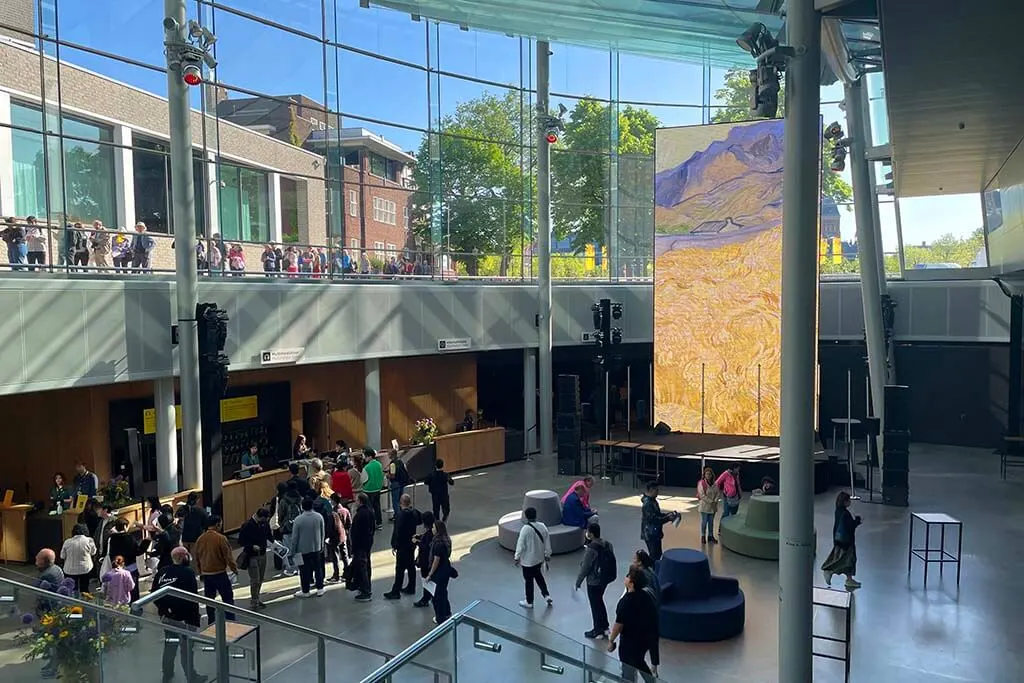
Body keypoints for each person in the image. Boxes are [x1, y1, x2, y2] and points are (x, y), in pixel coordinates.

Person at [152, 546, 208, 683]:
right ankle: (191, 675)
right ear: (184, 557)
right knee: (187, 648)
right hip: (186, 618)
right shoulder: (188, 572)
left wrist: (164, 610)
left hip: (168, 618)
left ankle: (167, 674)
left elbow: (154, 593)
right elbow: (192, 597)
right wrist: (195, 618)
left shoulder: (163, 572)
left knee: (170, 646)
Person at [608, 566, 659, 682]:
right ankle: (650, 680)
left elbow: (619, 625)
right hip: (645, 639)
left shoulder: (625, 602)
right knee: (639, 661)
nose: (625, 578)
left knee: (628, 668)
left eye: (627, 577)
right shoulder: (647, 597)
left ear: (631, 583)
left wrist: (611, 640)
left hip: (630, 642)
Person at [193, 516, 236, 623]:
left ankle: (211, 621)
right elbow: (228, 556)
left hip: (207, 575)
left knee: (209, 600)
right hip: (220, 573)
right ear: (217, 524)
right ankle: (230, 620)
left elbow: (197, 558)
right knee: (227, 598)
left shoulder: (200, 539)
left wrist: (200, 572)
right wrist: (234, 569)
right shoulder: (221, 538)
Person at [575, 522, 615, 639]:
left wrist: (578, 582)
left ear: (591, 534)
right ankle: (605, 627)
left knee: (595, 604)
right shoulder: (608, 544)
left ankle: (597, 630)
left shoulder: (591, 549)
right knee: (599, 601)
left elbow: (585, 568)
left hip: (593, 581)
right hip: (605, 579)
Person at [822, 490, 862, 589]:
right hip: (847, 542)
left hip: (839, 540)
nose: (850, 502)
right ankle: (830, 571)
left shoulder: (838, 511)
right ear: (845, 501)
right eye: (848, 500)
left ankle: (849, 579)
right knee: (845, 560)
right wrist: (857, 521)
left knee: (846, 560)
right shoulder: (845, 514)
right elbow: (850, 526)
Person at [514, 506, 552, 609]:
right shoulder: (543, 526)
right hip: (539, 559)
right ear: (536, 515)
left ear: (526, 517)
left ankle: (529, 601)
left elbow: (520, 544)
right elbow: (547, 542)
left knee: (529, 580)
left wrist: (517, 557)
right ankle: (546, 595)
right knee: (539, 577)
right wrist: (548, 554)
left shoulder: (525, 529)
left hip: (527, 561)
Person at [384, 494, 420, 599]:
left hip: (402, 545)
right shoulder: (414, 512)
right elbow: (420, 520)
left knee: (399, 568)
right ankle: (411, 586)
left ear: (401, 503)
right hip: (411, 543)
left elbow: (397, 531)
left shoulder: (400, 515)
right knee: (410, 566)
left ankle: (396, 591)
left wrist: (394, 544)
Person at [290, 497, 326, 598]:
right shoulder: (319, 517)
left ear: (302, 507)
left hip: (302, 550)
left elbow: (295, 538)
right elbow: (323, 532)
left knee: (304, 570)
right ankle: (320, 588)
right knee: (318, 568)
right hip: (317, 547)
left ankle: (305, 590)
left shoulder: (298, 520)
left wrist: (293, 551)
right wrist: (322, 545)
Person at [238, 507, 272, 608]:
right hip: (252, 556)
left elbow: (269, 535)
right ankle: (254, 600)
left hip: (263, 554)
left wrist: (275, 544)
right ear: (259, 517)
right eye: (264, 519)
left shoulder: (264, 524)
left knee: (260, 578)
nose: (265, 522)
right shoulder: (247, 525)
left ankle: (256, 597)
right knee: (255, 579)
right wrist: (252, 546)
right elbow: (241, 541)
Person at [106, 518, 145, 602]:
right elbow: (137, 551)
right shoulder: (129, 538)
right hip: (131, 567)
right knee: (133, 589)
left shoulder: (113, 539)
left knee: (119, 589)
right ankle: (135, 607)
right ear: (125, 526)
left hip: (118, 567)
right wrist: (146, 542)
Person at [425, 519, 455, 624]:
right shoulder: (447, 540)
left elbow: (436, 561)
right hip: (446, 568)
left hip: (439, 572)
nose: (432, 529)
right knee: (443, 592)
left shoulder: (437, 543)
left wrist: (430, 574)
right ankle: (447, 612)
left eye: (433, 528)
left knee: (437, 596)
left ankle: (440, 617)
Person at [640, 481, 679, 562]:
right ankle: (653, 572)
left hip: (654, 532)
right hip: (650, 534)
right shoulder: (648, 504)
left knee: (657, 554)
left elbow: (657, 514)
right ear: (651, 490)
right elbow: (654, 520)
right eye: (656, 490)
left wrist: (668, 515)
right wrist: (668, 518)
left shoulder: (652, 501)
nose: (658, 492)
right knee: (654, 555)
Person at [350, 492, 376, 602]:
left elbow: (355, 532)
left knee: (362, 566)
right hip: (367, 542)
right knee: (366, 565)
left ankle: (365, 590)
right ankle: (366, 586)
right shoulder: (370, 512)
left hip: (360, 544)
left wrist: (353, 547)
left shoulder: (359, 515)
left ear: (360, 501)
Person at [60, 523, 96, 595]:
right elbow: (93, 552)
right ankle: (85, 602)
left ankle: (73, 603)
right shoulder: (89, 541)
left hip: (70, 570)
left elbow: (62, 556)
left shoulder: (67, 542)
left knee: (73, 589)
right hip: (85, 569)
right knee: (84, 588)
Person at [413, 510, 436, 608]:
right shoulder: (433, 531)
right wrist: (420, 537)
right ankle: (429, 597)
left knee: (426, 580)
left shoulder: (429, 534)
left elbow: (425, 547)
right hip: (429, 561)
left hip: (426, 562)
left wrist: (416, 541)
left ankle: (426, 599)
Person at [326, 492, 351, 583]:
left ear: (333, 501)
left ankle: (336, 575)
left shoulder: (332, 513)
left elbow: (330, 527)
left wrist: (328, 536)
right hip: (343, 535)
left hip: (334, 537)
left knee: (335, 556)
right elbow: (349, 523)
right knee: (345, 555)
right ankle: (347, 573)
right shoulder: (345, 510)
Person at [696, 466, 722, 544]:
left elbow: (718, 492)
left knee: (711, 522)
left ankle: (710, 536)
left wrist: (716, 500)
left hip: (713, 507)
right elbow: (701, 495)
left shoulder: (715, 484)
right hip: (704, 506)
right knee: (704, 522)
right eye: (707, 474)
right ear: (704, 475)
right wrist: (711, 501)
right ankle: (703, 536)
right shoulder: (702, 483)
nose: (708, 476)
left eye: (709, 474)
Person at [424, 459, 454, 523]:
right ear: (443, 465)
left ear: (435, 466)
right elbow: (452, 482)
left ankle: (437, 522)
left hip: (435, 495)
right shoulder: (445, 475)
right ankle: (444, 518)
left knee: (436, 509)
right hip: (444, 494)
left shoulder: (431, 475)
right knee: (446, 508)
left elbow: (426, 482)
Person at [362, 448, 385, 529]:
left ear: (369, 456)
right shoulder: (379, 464)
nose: (364, 458)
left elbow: (363, 479)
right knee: (377, 506)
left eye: (365, 456)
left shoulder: (366, 467)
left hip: (368, 490)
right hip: (377, 489)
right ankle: (379, 523)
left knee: (369, 507)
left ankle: (371, 523)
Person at [386, 450, 411, 522]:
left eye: (389, 454)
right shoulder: (400, 461)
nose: (388, 455)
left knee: (395, 501)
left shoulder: (393, 464)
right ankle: (401, 514)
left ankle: (397, 516)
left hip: (395, 484)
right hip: (401, 483)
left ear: (392, 455)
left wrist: (388, 475)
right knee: (400, 500)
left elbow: (393, 476)